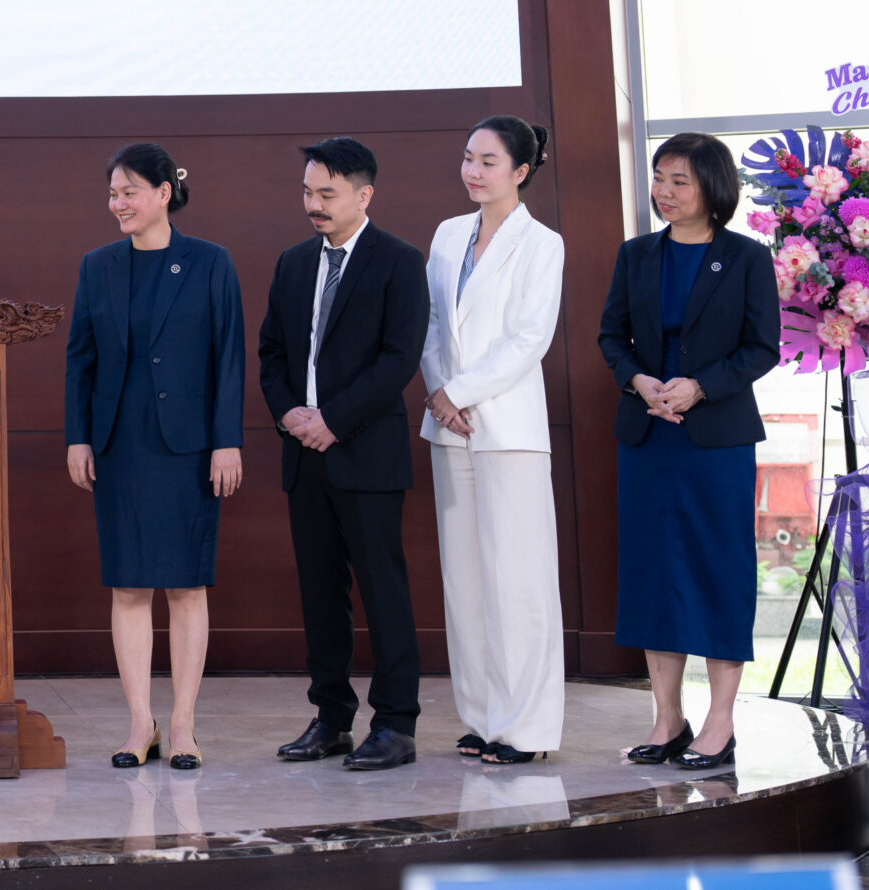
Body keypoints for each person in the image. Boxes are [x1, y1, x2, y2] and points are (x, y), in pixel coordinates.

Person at [598, 131, 780, 772]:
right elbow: (611, 335)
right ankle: (667, 719)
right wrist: (637, 380)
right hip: (648, 435)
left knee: (717, 569)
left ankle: (720, 722)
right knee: (652, 573)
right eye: (659, 177)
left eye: (680, 180)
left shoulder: (747, 256)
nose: (665, 191)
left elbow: (762, 348)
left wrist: (700, 386)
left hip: (716, 439)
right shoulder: (636, 254)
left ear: (712, 187)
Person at [64, 143, 244, 771]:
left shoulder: (210, 261)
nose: (118, 204)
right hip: (120, 444)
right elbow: (80, 358)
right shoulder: (97, 266)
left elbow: (228, 355)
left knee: (187, 586)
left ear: (164, 193)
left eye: (129, 192)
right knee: (129, 585)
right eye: (112, 193)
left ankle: (184, 725)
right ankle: (141, 724)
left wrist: (227, 440)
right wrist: (78, 436)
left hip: (189, 447)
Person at [256, 137, 428, 773]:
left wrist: (333, 420)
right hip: (305, 454)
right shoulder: (293, 262)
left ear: (364, 195)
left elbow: (399, 358)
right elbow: (272, 352)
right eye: (307, 192)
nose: (314, 204)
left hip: (366, 452)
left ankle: (396, 724)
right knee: (320, 595)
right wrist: (290, 415)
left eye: (327, 194)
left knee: (384, 592)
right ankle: (331, 719)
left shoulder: (399, 261)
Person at [421, 116, 567, 766]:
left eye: (487, 161)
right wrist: (439, 392)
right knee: (466, 582)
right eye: (467, 158)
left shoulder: (542, 244)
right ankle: (482, 718)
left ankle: (526, 728)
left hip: (507, 429)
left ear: (521, 170)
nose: (473, 171)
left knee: (518, 581)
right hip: (449, 427)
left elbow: (529, 338)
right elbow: (430, 324)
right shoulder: (448, 234)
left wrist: (459, 392)